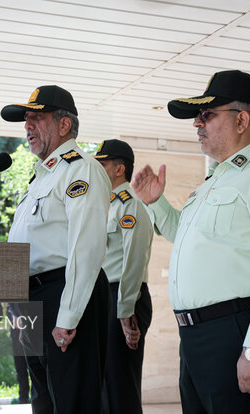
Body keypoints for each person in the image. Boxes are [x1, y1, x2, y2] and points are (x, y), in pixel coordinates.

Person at [131, 70, 250, 413]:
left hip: (236, 334)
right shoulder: (214, 181)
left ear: (241, 120)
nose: (198, 124)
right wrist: (156, 203)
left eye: (207, 114)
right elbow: (185, 237)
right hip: (196, 339)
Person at [1, 85, 111, 414]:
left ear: (64, 125)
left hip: (65, 295)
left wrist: (68, 315)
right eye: (26, 119)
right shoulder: (41, 178)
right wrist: (18, 308)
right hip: (35, 300)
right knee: (44, 401)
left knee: (71, 400)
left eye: (36, 117)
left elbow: (86, 249)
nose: (27, 126)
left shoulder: (82, 170)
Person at [94, 139, 154, 414]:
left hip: (123, 296)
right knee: (104, 383)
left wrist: (124, 309)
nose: (96, 169)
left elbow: (134, 260)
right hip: (103, 297)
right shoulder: (102, 206)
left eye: (102, 164)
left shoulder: (130, 206)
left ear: (119, 169)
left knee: (121, 386)